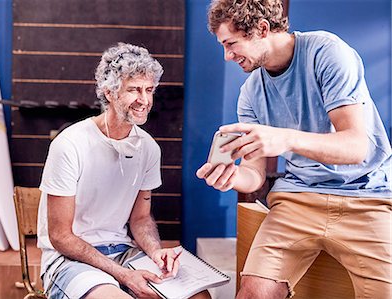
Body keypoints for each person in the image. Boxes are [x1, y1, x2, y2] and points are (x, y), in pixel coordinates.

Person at [197, 0, 392, 298]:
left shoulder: (326, 52)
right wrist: (230, 178)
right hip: (298, 200)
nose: (227, 56)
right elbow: (253, 174)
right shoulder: (250, 94)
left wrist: (284, 138)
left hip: (368, 197)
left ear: (262, 29)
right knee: (251, 294)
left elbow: (356, 146)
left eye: (231, 44)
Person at [37, 43, 211, 299]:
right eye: (134, 90)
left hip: (122, 251)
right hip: (69, 259)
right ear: (109, 92)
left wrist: (155, 252)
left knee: (198, 296)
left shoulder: (149, 148)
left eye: (149, 90)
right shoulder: (70, 143)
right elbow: (60, 236)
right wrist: (123, 275)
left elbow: (140, 219)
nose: (145, 100)